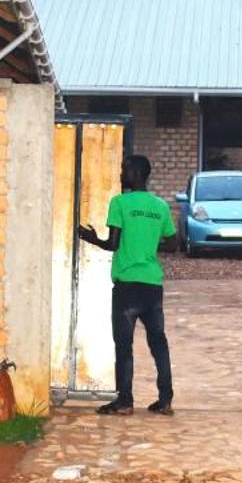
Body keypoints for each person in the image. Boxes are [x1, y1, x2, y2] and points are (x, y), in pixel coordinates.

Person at [77, 154, 177, 416]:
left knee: (124, 346)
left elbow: (112, 244)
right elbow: (173, 242)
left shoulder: (119, 203)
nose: (122, 173)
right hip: (152, 285)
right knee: (158, 342)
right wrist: (148, 245)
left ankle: (125, 401)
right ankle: (165, 399)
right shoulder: (160, 206)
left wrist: (90, 238)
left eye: (125, 169)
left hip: (127, 287)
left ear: (136, 173)